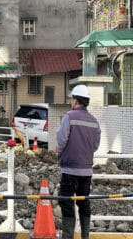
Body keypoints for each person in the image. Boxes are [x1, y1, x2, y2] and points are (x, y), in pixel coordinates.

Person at [56, 84, 101, 239]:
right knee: (84, 203)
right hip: (87, 171)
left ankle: (68, 236)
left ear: (75, 101)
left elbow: (61, 141)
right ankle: (85, 236)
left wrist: (60, 155)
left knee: (66, 202)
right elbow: (95, 145)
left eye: (72, 99)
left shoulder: (69, 116)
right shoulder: (94, 122)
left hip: (69, 169)